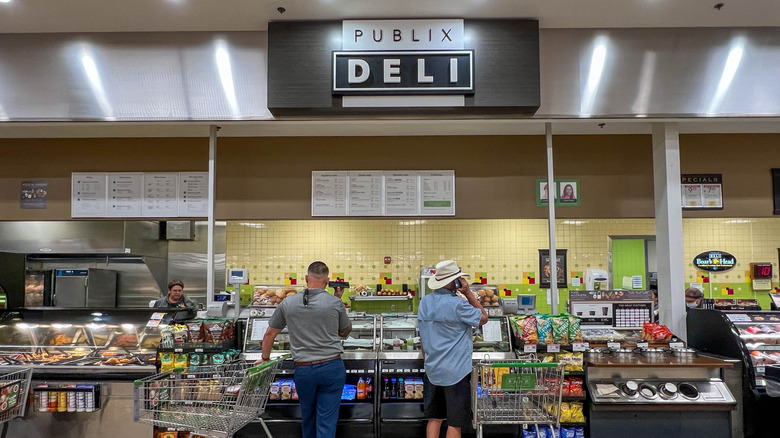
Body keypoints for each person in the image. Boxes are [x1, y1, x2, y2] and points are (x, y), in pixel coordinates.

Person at [259, 261, 351, 438]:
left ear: (306, 278)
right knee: (326, 421)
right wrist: (337, 298)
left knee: (308, 417)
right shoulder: (334, 303)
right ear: (328, 281)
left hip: (304, 369)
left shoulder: (288, 303)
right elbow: (345, 331)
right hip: (331, 367)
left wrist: (265, 359)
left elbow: (270, 333)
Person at [417, 260, 488, 438]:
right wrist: (469, 293)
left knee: (435, 418)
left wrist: (428, 360)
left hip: (432, 369)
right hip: (455, 372)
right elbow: (484, 318)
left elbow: (423, 338)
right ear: (454, 282)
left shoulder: (424, 302)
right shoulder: (458, 304)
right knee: (455, 423)